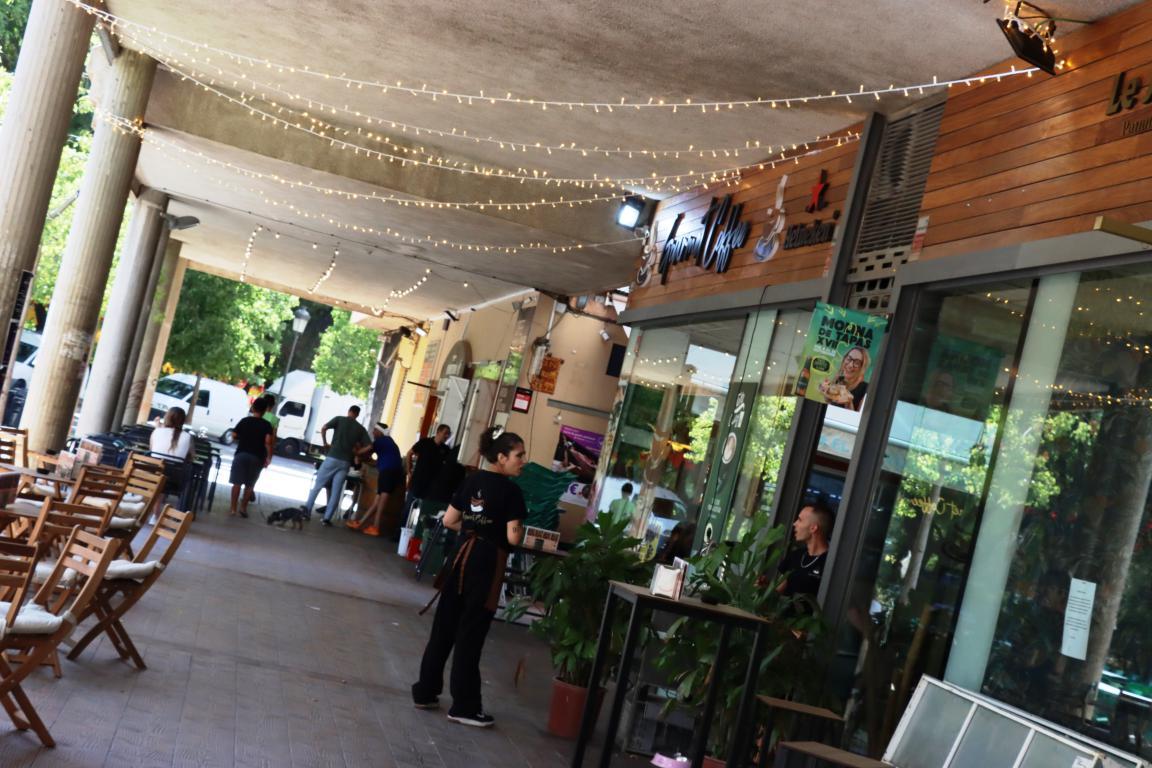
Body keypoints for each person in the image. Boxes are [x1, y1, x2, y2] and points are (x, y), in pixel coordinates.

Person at [411, 428, 527, 727]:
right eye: (519, 455)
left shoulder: (471, 480)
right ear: (501, 457)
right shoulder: (512, 492)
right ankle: (464, 706)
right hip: (487, 564)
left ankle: (425, 691)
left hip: (460, 557)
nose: (523, 461)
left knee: (444, 628)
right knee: (470, 634)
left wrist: (472, 528)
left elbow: (450, 520)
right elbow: (513, 537)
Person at [301, 405, 370, 526]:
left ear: (349, 411)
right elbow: (369, 446)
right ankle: (327, 519)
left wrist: (325, 442)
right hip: (345, 462)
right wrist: (356, 453)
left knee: (318, 485)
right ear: (357, 415)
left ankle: (306, 512)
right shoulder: (360, 428)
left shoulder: (339, 419)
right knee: (336, 491)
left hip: (332, 457)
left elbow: (324, 428)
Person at [347, 422, 403, 536]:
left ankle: (375, 527)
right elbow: (372, 459)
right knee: (377, 502)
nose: (373, 432)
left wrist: (354, 452)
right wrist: (362, 457)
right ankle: (360, 523)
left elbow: (365, 451)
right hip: (391, 472)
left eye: (375, 430)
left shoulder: (381, 440)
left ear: (380, 432)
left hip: (388, 472)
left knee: (381, 502)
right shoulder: (388, 443)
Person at [776, 500, 834, 606]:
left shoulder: (830, 563)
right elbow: (777, 592)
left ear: (813, 528)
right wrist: (764, 588)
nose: (795, 524)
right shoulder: (795, 555)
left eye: (800, 520)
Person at [229, 398, 274, 518]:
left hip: (241, 454)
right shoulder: (267, 425)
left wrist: (242, 437)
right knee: (250, 485)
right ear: (265, 411)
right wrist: (268, 457)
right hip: (257, 457)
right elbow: (268, 442)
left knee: (237, 483)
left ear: (253, 408)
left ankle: (233, 509)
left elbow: (233, 435)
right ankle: (243, 508)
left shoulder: (245, 421)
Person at [405, 424, 452, 517]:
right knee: (408, 509)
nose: (447, 436)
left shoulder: (446, 450)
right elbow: (409, 453)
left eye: (448, 434)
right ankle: (402, 526)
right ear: (438, 432)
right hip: (417, 482)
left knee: (422, 512)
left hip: (431, 487)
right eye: (445, 433)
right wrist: (409, 471)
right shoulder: (425, 442)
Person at [819, 346, 870, 411]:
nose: (850, 365)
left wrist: (848, 403)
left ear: (861, 368)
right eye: (849, 359)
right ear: (844, 360)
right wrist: (826, 391)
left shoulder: (866, 389)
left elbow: (858, 417)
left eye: (857, 363)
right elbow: (830, 402)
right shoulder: (838, 379)